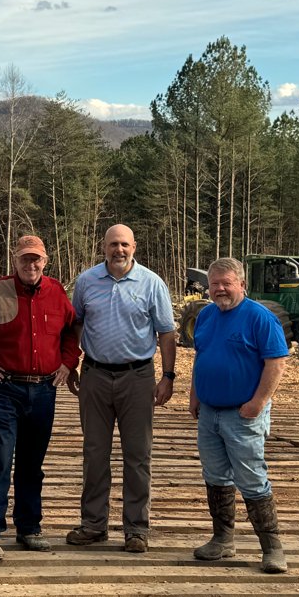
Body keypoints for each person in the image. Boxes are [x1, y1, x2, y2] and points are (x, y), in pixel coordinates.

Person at [0, 235, 80, 561]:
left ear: (45, 261)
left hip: (44, 389)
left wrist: (68, 361)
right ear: (15, 260)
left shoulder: (56, 292)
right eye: (24, 259)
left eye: (36, 259)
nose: (30, 265)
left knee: (32, 464)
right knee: (1, 460)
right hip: (6, 388)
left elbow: (71, 330)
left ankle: (29, 528)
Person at [66, 224, 176, 553]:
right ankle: (93, 525)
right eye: (113, 244)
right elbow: (76, 323)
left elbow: (166, 333)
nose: (119, 250)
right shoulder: (86, 281)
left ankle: (136, 529)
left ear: (134, 247)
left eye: (125, 244)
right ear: (104, 246)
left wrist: (168, 376)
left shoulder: (152, 283)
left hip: (137, 376)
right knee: (95, 453)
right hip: (95, 375)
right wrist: (70, 362)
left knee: (138, 455)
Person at [190, 257, 289, 573]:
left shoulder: (260, 318)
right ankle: (222, 539)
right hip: (209, 413)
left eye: (226, 283)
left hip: (243, 414)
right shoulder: (206, 316)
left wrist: (259, 403)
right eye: (214, 284)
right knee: (215, 476)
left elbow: (276, 363)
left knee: (251, 478)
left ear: (241, 285)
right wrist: (194, 397)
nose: (219, 289)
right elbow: (201, 358)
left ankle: (272, 548)